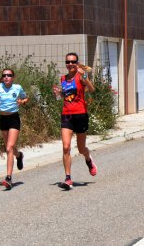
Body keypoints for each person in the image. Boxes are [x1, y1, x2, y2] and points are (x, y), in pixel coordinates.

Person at [53, 52, 97, 190]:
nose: (70, 64)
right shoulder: (63, 79)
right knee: (66, 147)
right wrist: (58, 94)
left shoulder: (81, 76)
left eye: (73, 62)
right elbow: (63, 97)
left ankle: (88, 160)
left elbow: (92, 89)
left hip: (80, 114)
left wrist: (85, 77)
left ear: (77, 63)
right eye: (68, 62)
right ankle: (68, 178)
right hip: (66, 115)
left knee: (81, 148)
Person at [0, 69, 28, 190]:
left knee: (9, 147)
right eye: (4, 75)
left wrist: (22, 102)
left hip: (14, 119)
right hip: (3, 119)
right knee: (9, 147)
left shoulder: (17, 87)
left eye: (9, 75)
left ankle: (8, 178)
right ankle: (19, 155)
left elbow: (26, 98)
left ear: (13, 77)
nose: (6, 77)